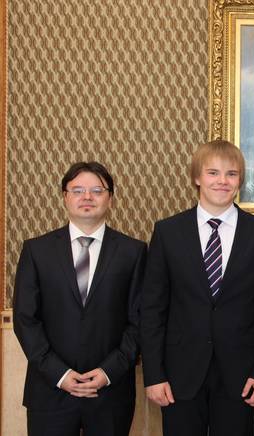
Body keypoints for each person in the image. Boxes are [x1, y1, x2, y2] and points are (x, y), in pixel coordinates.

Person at [140, 139, 254, 436]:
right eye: (213, 173)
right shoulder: (168, 232)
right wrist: (154, 374)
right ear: (197, 177)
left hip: (241, 377)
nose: (222, 181)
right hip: (179, 376)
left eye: (231, 174)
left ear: (240, 181)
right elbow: (152, 309)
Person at [13, 161, 147, 436]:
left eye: (97, 190)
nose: (87, 197)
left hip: (110, 393)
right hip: (50, 391)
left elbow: (140, 320)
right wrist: (59, 374)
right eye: (78, 190)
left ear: (110, 198)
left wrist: (108, 372)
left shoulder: (133, 252)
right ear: (65, 196)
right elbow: (25, 320)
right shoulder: (36, 251)